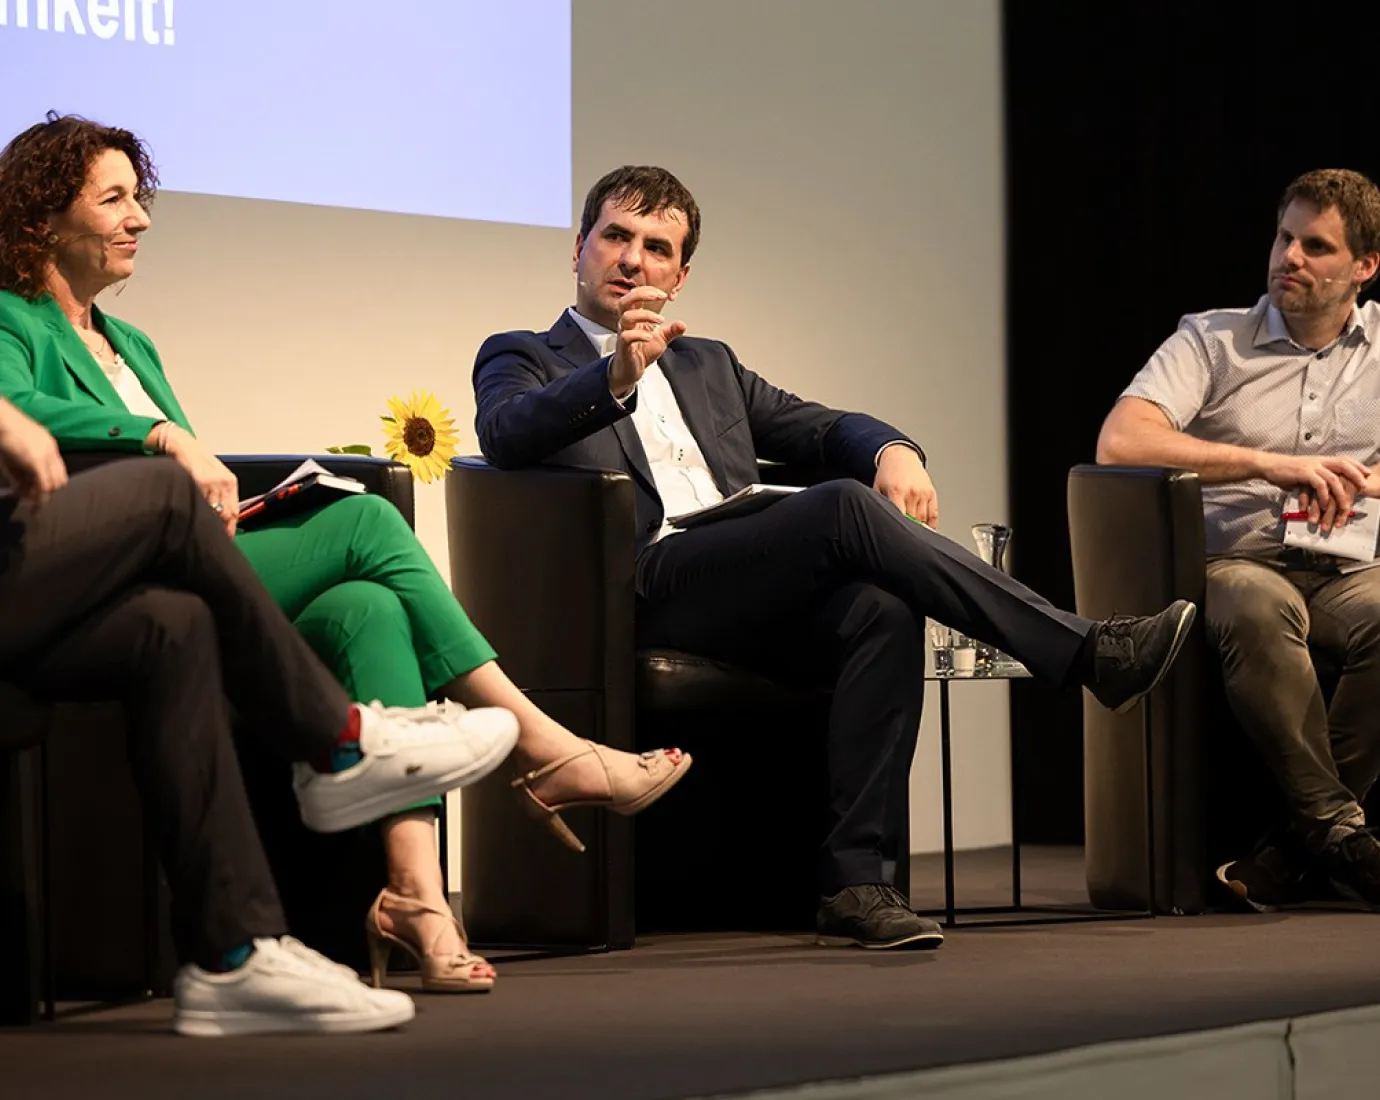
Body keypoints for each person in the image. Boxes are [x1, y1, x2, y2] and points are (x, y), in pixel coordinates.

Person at [0, 114, 692, 993]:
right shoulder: (12, 317)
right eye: (114, 200)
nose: (140, 218)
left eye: (140, 199)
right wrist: (157, 431)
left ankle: (417, 899)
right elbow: (19, 412)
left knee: (366, 607)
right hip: (91, 574)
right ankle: (548, 748)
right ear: (43, 218)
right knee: (365, 523)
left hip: (188, 554)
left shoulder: (131, 343)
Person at [472, 164, 1197, 951]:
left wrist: (892, 448)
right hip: (639, 584)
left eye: (656, 247)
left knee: (882, 610)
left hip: (733, 581)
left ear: (679, 277)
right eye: (614, 237)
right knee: (846, 506)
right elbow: (506, 432)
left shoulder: (709, 365)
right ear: (578, 249)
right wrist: (612, 375)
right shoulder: (522, 354)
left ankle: (857, 881)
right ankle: (1087, 650)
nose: (632, 259)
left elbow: (821, 429)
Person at [0, 397, 519, 1035]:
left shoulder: (128, 342)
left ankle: (231, 956)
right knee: (172, 494)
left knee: (175, 625)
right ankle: (340, 745)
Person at [1097, 168, 1380, 913]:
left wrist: (1365, 481)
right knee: (1258, 606)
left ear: (1364, 267)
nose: (1290, 257)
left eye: (1316, 246)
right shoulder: (1214, 339)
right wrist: (1271, 465)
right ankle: (1341, 833)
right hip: (1237, 562)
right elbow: (1122, 441)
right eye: (1285, 237)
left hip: (1351, 570)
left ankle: (1300, 845)